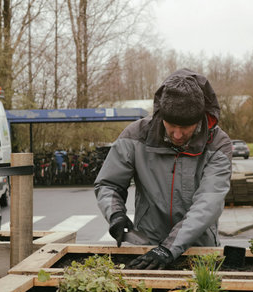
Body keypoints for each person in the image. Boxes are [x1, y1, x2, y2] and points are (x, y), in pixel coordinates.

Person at [94, 68, 232, 269]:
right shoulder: (135, 136)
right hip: (146, 245)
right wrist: (115, 214)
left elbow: (208, 202)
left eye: (185, 127)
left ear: (200, 119)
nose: (177, 134)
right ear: (161, 116)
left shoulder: (218, 144)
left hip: (198, 249)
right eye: (171, 125)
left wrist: (169, 248)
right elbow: (109, 184)